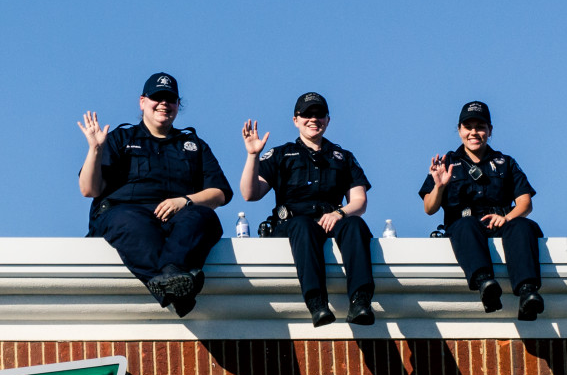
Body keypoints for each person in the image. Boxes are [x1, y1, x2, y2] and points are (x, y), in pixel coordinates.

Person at [79, 72, 231, 317]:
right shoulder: (120, 138)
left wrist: (185, 201)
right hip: (128, 215)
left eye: (170, 99)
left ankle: (170, 278)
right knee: (129, 220)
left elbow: (220, 192)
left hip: (177, 217)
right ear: (142, 102)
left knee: (204, 217)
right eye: (157, 98)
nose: (163, 104)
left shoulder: (193, 144)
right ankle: (178, 287)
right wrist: (95, 149)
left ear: (178, 105)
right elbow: (89, 190)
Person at [240, 91, 376, 327]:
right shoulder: (282, 155)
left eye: (319, 114)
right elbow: (250, 194)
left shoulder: (342, 157)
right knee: (303, 224)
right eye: (307, 114)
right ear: (295, 120)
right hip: (294, 225)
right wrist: (253, 155)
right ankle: (317, 304)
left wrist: (339, 213)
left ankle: (360, 301)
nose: (313, 119)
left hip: (331, 220)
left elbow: (359, 201)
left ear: (328, 120)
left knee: (355, 223)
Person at [419, 100, 545, 320]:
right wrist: (439, 185)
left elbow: (525, 203)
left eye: (480, 127)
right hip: (465, 229)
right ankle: (486, 284)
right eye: (468, 127)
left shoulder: (505, 162)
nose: (474, 132)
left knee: (523, 226)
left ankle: (527, 294)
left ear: (490, 130)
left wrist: (506, 217)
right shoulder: (447, 162)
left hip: (500, 225)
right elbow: (429, 208)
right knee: (465, 224)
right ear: (459, 130)